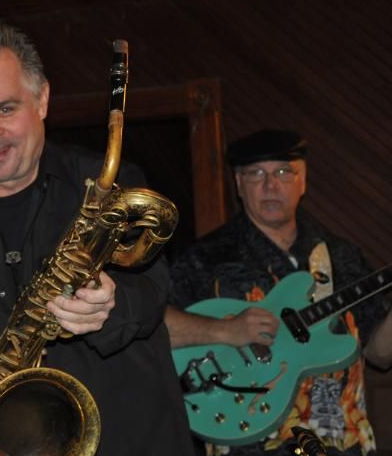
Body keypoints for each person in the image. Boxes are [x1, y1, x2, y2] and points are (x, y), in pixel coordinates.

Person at [0, 21, 194, 455]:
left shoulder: (111, 186)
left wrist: (110, 304)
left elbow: (152, 291)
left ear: (42, 99)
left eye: (6, 109)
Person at [166, 129, 392, 456]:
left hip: (343, 442)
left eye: (284, 172)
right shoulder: (204, 259)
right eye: (256, 174)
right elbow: (152, 324)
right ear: (238, 183)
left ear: (303, 180)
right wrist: (224, 330)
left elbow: (380, 355)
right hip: (249, 444)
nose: (271, 185)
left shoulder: (342, 256)